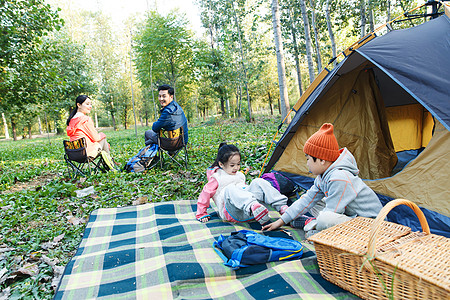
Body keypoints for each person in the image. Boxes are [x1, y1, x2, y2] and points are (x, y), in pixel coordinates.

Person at [262, 123, 382, 237]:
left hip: (371, 226)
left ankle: (314, 227)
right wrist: (282, 221)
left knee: (326, 218)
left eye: (308, 159)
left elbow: (331, 213)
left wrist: (316, 227)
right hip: (352, 216)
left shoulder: (339, 178)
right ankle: (313, 223)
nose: (307, 163)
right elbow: (307, 200)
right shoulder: (324, 175)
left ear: (322, 160)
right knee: (314, 201)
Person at [196, 143, 289, 225]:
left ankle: (283, 208)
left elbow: (244, 192)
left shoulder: (239, 175)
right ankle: (253, 206)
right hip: (231, 212)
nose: (236, 168)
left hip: (247, 211)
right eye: (232, 165)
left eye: (238, 164)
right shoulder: (217, 177)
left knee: (258, 181)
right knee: (230, 189)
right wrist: (201, 213)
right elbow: (205, 194)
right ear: (221, 164)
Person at [66, 95, 116, 170]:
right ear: (78, 105)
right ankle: (111, 166)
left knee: (100, 140)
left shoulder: (71, 120)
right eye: (87, 104)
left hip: (73, 154)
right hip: (86, 154)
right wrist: (102, 134)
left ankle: (110, 164)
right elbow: (96, 138)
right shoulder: (85, 119)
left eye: (91, 104)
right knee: (103, 139)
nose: (90, 106)